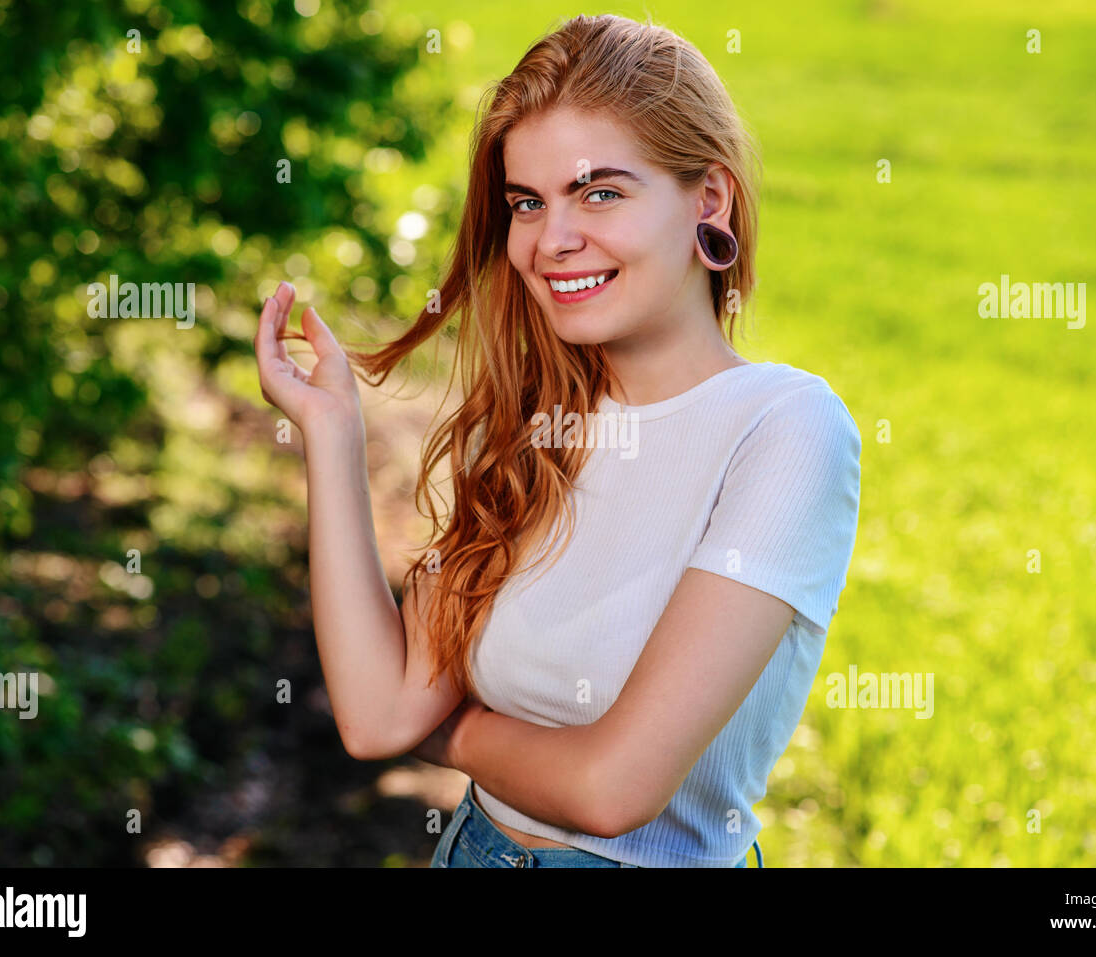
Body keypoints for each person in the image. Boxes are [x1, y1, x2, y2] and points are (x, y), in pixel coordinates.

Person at [253, 13, 861, 868]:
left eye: (600, 192)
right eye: (527, 203)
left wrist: (453, 736)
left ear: (709, 200)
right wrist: (330, 431)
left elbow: (612, 789)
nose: (552, 240)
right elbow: (377, 715)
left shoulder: (784, 428)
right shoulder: (527, 428)